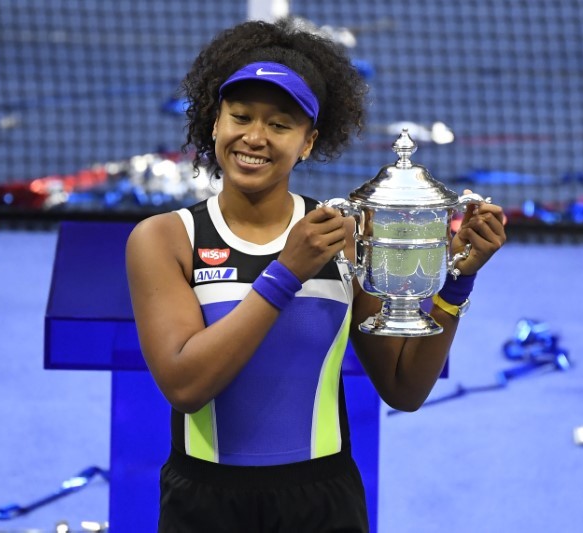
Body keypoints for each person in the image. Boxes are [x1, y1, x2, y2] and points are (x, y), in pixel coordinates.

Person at [126, 18, 506, 533]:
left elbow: (404, 387)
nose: (254, 137)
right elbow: (186, 386)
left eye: (280, 125)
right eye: (240, 116)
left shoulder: (341, 236)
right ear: (214, 124)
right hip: (204, 505)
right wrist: (286, 273)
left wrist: (457, 281)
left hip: (323, 506)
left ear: (308, 142)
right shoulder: (164, 238)